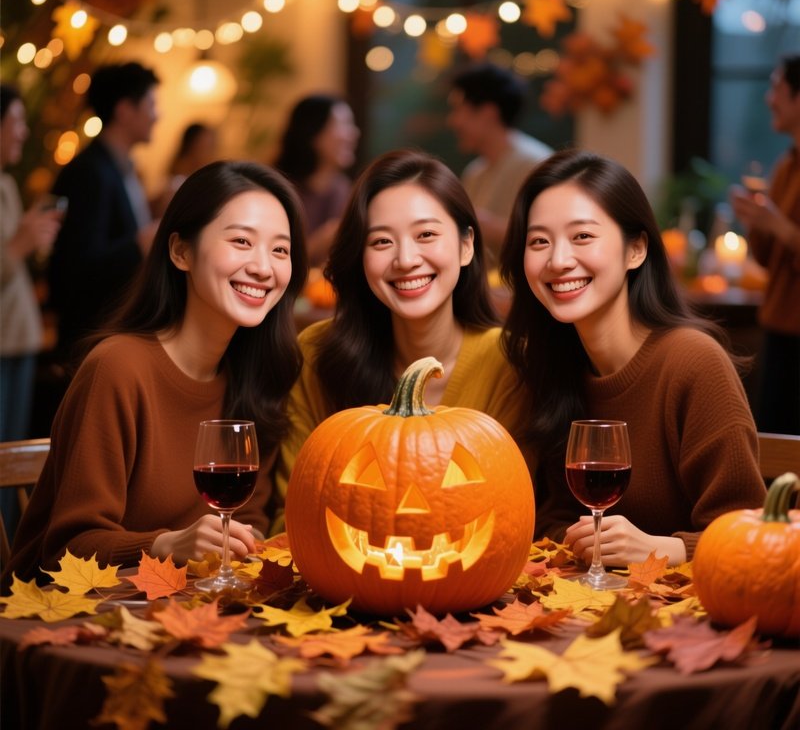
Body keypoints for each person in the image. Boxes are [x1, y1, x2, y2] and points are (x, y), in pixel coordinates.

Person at [2, 161, 309, 591]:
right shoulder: (117, 369)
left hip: (184, 614)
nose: (263, 267)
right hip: (65, 623)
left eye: (280, 250)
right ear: (180, 251)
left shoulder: (263, 374)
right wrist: (166, 544)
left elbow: (249, 520)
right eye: (242, 241)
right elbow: (65, 550)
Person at [499, 148, 766, 566]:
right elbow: (553, 516)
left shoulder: (693, 363)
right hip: (587, 609)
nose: (558, 260)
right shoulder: (553, 365)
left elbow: (747, 533)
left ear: (635, 250)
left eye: (582, 236)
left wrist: (662, 549)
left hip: (690, 618)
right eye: (539, 242)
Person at [270, 148, 531, 533]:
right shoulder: (318, 353)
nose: (406, 259)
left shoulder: (511, 361)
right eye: (381, 242)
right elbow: (293, 518)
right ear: (360, 256)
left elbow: (510, 520)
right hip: (339, 588)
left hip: (477, 587)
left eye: (426, 234)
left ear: (465, 245)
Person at [48, 61, 161, 368]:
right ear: (124, 110)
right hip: (92, 336)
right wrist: (140, 242)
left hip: (112, 328)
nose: (157, 115)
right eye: (151, 104)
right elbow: (76, 267)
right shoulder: (90, 172)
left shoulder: (119, 167)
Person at [731, 54, 800, 434]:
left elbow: (785, 237)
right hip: (779, 330)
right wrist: (757, 222)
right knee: (773, 441)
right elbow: (765, 259)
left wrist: (780, 227)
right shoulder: (786, 165)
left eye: (776, 88)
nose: (768, 98)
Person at [1, 84, 63, 442]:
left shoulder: (6, 183)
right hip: (2, 342)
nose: (23, 132)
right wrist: (21, 244)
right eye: (17, 121)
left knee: (13, 450)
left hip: (19, 338)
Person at [447, 62, 553, 256]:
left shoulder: (536, 163)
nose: (453, 121)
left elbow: (554, 237)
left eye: (458, 109)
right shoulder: (475, 172)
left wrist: (489, 227)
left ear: (488, 112)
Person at [274, 94, 360, 265]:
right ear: (313, 133)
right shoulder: (277, 190)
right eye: (344, 125)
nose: (354, 133)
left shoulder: (342, 188)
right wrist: (320, 241)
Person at [153, 122, 219, 216]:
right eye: (206, 146)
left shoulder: (203, 181)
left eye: (211, 147)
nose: (210, 153)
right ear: (192, 146)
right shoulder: (176, 186)